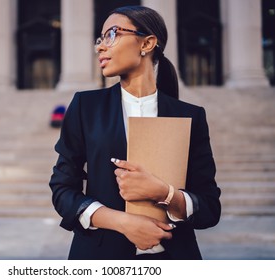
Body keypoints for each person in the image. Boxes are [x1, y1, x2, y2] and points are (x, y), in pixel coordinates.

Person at [49, 5, 221, 260]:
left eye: (112, 34)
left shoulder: (190, 115)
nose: (100, 47)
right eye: (100, 39)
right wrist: (123, 222)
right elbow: (62, 190)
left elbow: (209, 208)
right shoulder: (86, 106)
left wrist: (165, 193)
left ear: (147, 43)